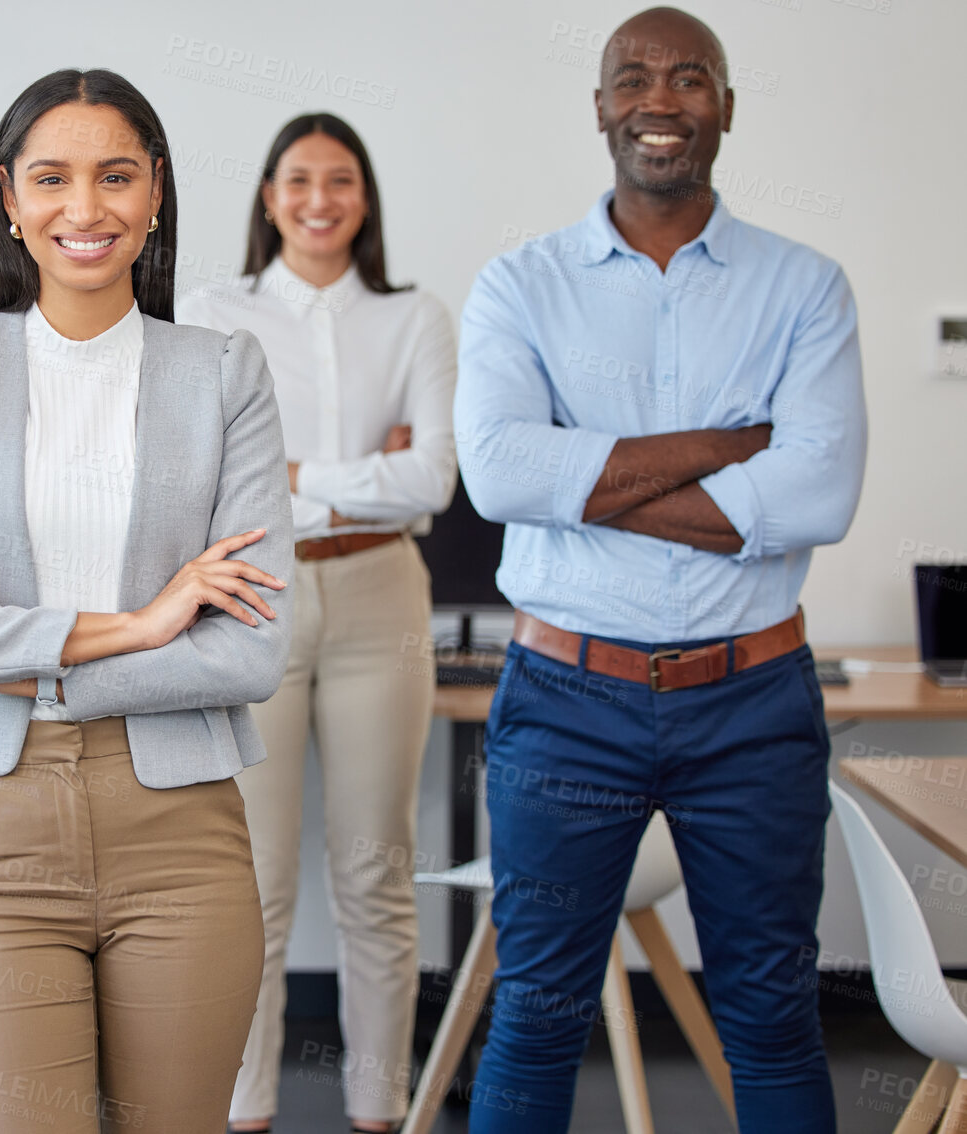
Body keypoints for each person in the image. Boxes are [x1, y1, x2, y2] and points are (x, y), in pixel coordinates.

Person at [0, 68, 293, 1134]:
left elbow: (246, 656)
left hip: (180, 834)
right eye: (50, 178)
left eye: (114, 177)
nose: (82, 209)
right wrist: (145, 624)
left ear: (154, 196)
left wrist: (0, 653)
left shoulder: (224, 371)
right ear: (9, 197)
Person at [453, 7, 866, 1131]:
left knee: (773, 1015)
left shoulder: (805, 287)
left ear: (723, 107)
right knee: (535, 1012)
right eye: (632, 77)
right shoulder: (519, 286)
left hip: (751, 701)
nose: (660, 100)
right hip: (564, 698)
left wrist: (583, 486)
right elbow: (495, 475)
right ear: (598, 107)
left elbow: (817, 497)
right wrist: (733, 450)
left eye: (691, 79)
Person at [178, 111, 456, 1134]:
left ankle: (379, 1111)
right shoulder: (214, 310)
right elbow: (205, 478)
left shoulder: (414, 317)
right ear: (266, 196)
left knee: (374, 869)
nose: (318, 200)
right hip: (255, 591)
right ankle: (241, 1111)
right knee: (248, 880)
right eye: (297, 180)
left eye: (340, 180)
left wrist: (293, 474)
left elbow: (433, 478)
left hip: (382, 592)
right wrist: (359, 478)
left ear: (363, 197)